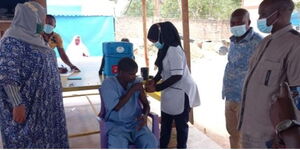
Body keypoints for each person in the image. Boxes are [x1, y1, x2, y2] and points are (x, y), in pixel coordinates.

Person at [0, 1, 69, 148]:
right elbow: (7, 75)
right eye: (40, 20)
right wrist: (17, 104)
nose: (42, 24)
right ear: (28, 19)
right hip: (28, 107)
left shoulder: (38, 38)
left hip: (47, 106)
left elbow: (38, 66)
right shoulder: (11, 41)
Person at [238, 0, 300, 148]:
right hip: (249, 129)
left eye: (263, 14)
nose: (260, 19)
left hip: (271, 138)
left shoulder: (295, 45)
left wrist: (289, 134)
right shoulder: (265, 42)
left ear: (278, 14)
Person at [146, 21, 200, 149]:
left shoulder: (174, 50)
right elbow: (162, 71)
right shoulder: (164, 49)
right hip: (170, 90)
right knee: (165, 124)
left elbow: (177, 75)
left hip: (181, 91)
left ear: (162, 36)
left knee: (181, 126)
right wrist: (154, 80)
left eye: (155, 41)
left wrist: (157, 87)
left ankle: (182, 147)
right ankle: (163, 146)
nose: (155, 44)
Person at [222, 8, 263, 148]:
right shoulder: (233, 40)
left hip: (247, 100)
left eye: (239, 23)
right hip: (230, 96)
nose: (235, 26)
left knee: (246, 138)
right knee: (232, 133)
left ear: (249, 22)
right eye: (232, 23)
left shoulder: (258, 42)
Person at [99, 57, 158, 148]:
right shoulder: (108, 84)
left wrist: (145, 115)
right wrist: (132, 90)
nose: (133, 77)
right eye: (131, 74)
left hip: (135, 124)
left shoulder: (136, 82)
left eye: (135, 74)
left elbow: (146, 104)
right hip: (116, 126)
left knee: (151, 143)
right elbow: (117, 107)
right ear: (120, 72)